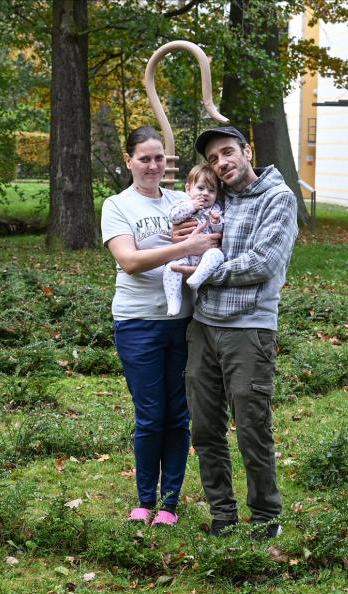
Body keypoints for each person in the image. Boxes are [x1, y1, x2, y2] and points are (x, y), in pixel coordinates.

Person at [170, 126, 299, 539]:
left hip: (249, 329)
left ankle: (266, 517)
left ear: (247, 151)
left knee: (251, 426)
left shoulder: (279, 199)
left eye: (227, 153)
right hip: (204, 328)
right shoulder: (218, 196)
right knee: (205, 428)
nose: (221, 163)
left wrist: (205, 273)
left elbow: (263, 264)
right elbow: (190, 222)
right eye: (213, 159)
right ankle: (222, 514)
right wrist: (179, 239)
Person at [100, 126, 221, 527]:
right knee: (150, 414)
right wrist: (186, 247)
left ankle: (169, 503)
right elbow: (130, 261)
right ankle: (144, 499)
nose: (152, 165)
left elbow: (216, 214)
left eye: (159, 158)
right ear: (129, 160)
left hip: (183, 323)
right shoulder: (117, 206)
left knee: (178, 415)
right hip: (138, 323)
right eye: (144, 158)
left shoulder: (181, 199)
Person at [163, 165, 225, 316]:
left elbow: (219, 231)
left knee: (217, 255)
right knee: (170, 269)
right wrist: (192, 206)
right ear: (188, 189)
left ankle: (197, 278)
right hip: (185, 257)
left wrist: (216, 222)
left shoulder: (215, 210)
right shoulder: (182, 205)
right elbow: (174, 217)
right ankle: (173, 301)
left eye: (211, 190)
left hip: (205, 257)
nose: (205, 193)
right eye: (200, 188)